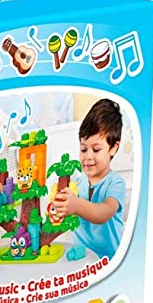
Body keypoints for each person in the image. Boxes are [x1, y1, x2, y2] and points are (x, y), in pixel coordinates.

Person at [51, 98, 127, 261]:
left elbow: (103, 213)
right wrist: (60, 208)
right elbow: (65, 216)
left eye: (96, 149)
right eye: (83, 149)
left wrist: (76, 205)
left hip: (108, 259)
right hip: (81, 258)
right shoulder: (77, 184)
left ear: (113, 148)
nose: (88, 157)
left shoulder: (115, 183)